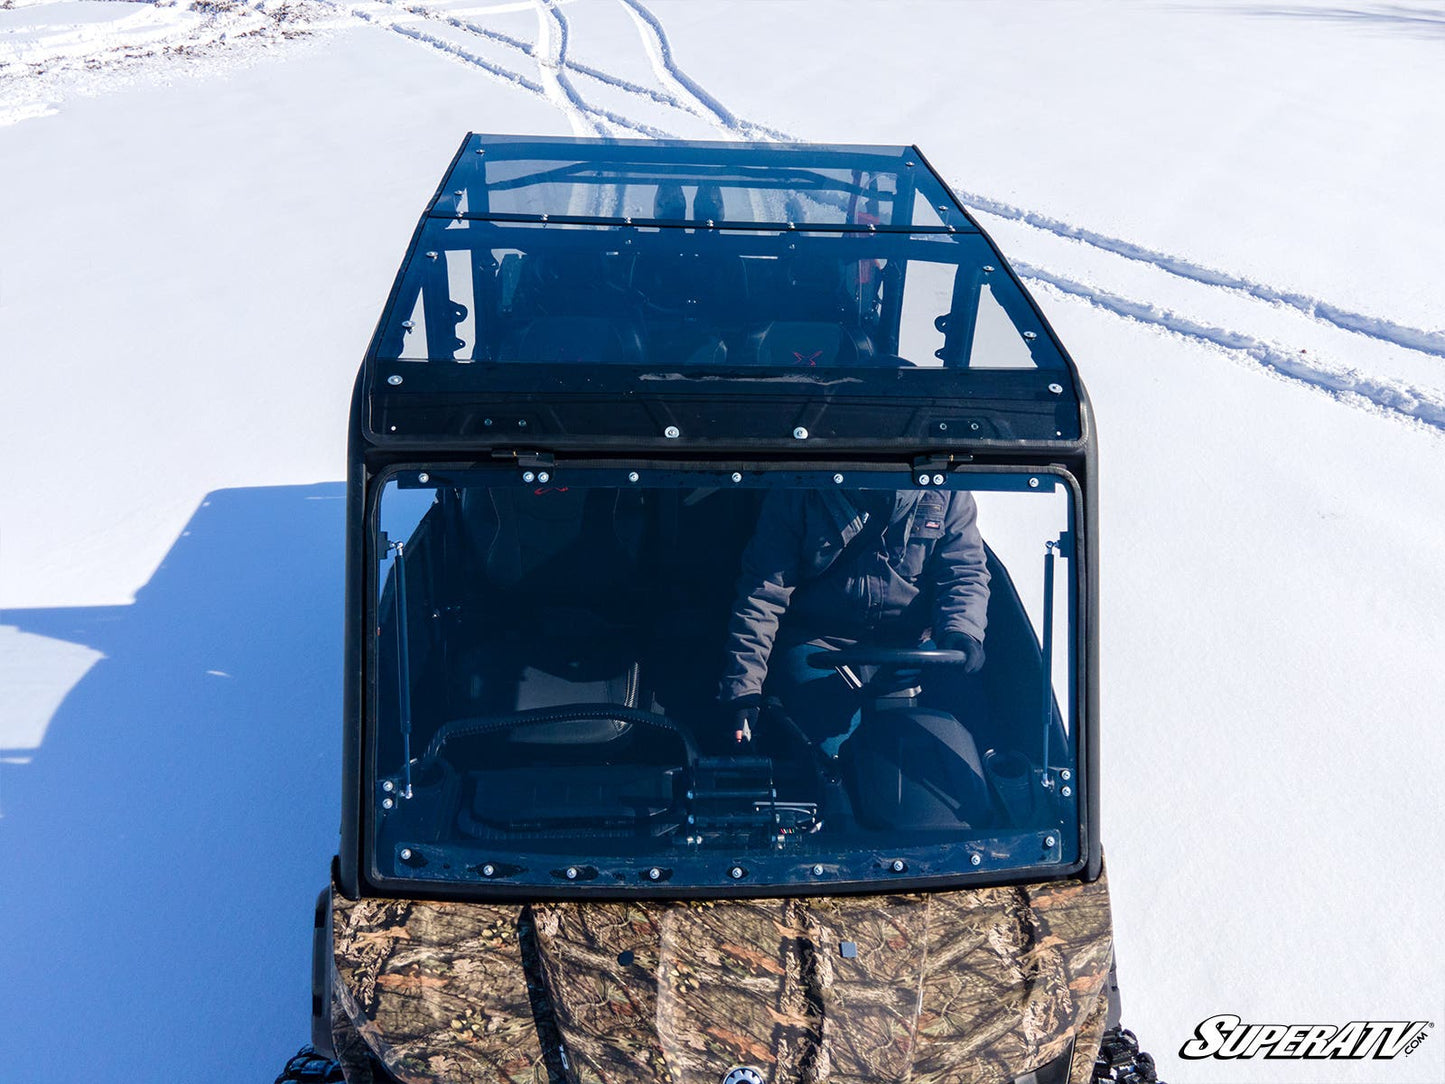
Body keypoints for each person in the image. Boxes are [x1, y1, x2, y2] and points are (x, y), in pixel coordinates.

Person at [719, 486, 990, 746]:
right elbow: (764, 594)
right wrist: (744, 691)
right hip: (822, 644)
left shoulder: (946, 490)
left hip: (915, 646)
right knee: (824, 754)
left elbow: (963, 573)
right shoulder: (800, 489)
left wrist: (961, 632)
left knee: (965, 734)